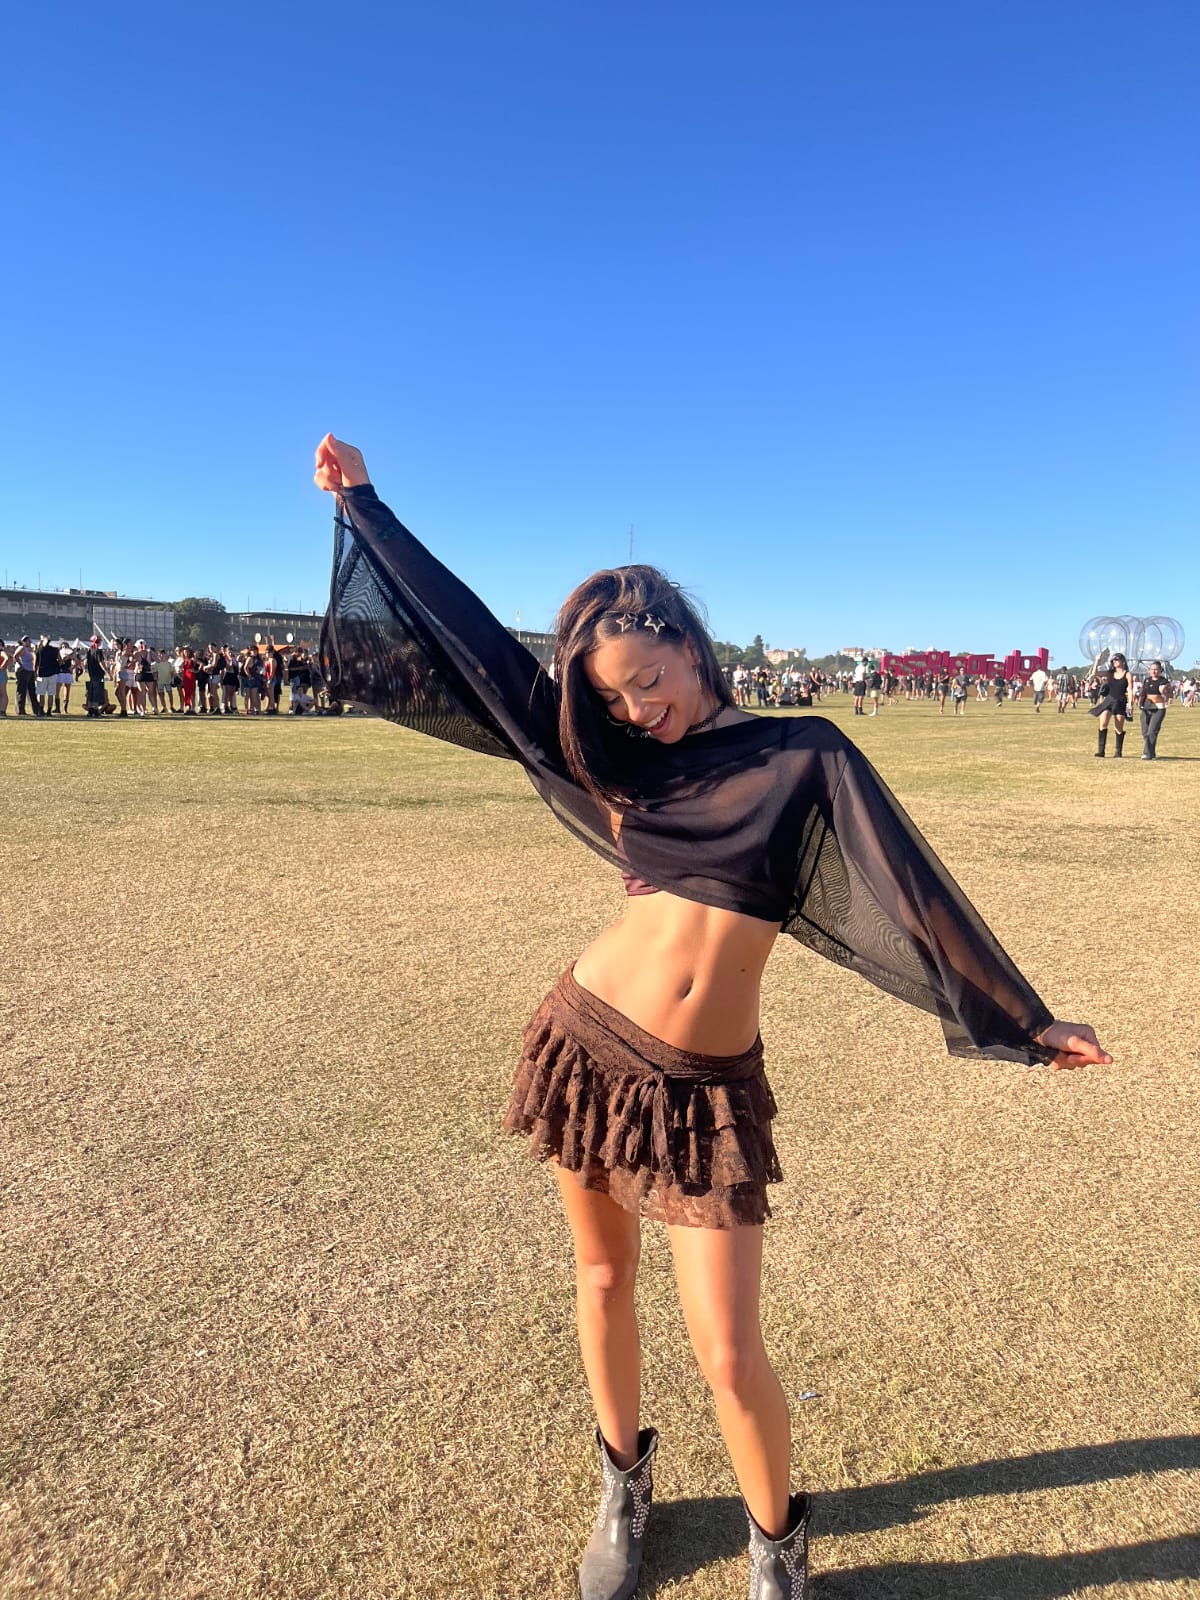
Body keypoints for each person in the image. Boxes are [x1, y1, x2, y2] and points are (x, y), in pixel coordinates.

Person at [314, 434, 1111, 1600]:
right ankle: (623, 1487)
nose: (640, 707)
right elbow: (479, 651)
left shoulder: (803, 752)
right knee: (601, 1280)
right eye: (615, 695)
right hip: (588, 1043)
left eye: (650, 679)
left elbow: (909, 887)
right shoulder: (618, 756)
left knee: (730, 1352)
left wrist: (1025, 1019)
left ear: (689, 641)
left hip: (706, 1088)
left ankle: (776, 1549)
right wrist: (370, 509)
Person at [1089, 650, 1131, 758]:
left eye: (1116, 659)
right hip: (1108, 701)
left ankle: (1118, 751)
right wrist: (1097, 661)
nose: (1114, 661)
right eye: (1112, 660)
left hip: (1120, 701)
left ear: (1122, 661)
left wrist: (1130, 703)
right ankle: (1101, 751)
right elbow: (1094, 674)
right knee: (1103, 723)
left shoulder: (1127, 674)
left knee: (1119, 727)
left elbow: (1130, 689)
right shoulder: (1110, 673)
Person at [1137, 661, 1172, 760]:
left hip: (1158, 708)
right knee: (1145, 731)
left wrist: (1164, 692)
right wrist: (1139, 702)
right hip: (1146, 706)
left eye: (1156, 669)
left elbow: (1170, 694)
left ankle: (1147, 754)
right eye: (1152, 669)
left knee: (1152, 731)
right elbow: (1143, 693)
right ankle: (1151, 753)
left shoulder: (1163, 681)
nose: (1154, 671)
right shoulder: (1147, 680)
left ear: (1160, 670)